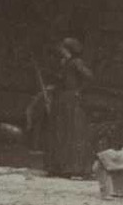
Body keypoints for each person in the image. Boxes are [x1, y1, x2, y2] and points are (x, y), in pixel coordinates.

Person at [40, 36, 97, 179]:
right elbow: (65, 80)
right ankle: (59, 168)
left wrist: (79, 90)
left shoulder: (76, 62)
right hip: (62, 101)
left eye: (63, 48)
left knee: (72, 133)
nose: (60, 50)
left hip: (71, 101)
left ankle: (75, 169)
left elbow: (89, 76)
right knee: (60, 133)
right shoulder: (66, 62)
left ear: (68, 49)